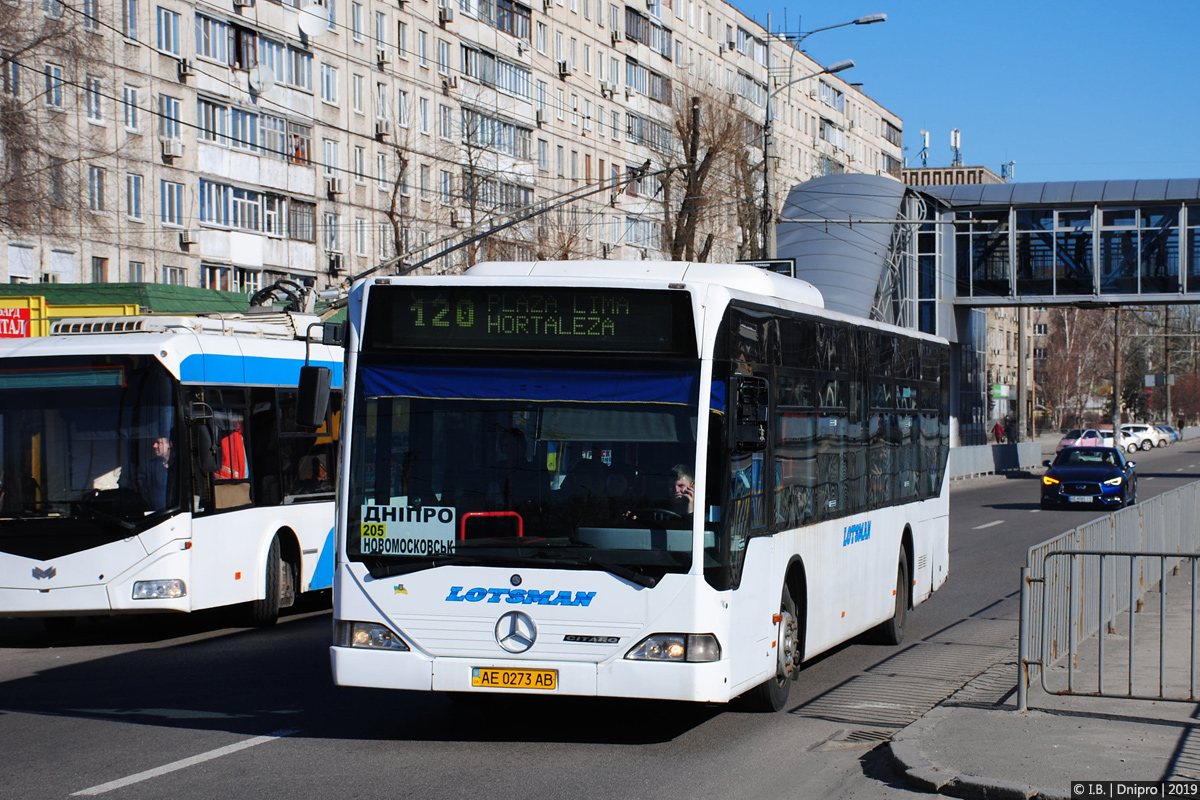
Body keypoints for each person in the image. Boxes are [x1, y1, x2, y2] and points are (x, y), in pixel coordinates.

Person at [138, 435, 177, 511]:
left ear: (169, 444)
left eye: (158, 443)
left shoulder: (181, 465)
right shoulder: (149, 467)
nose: (154, 446)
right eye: (155, 443)